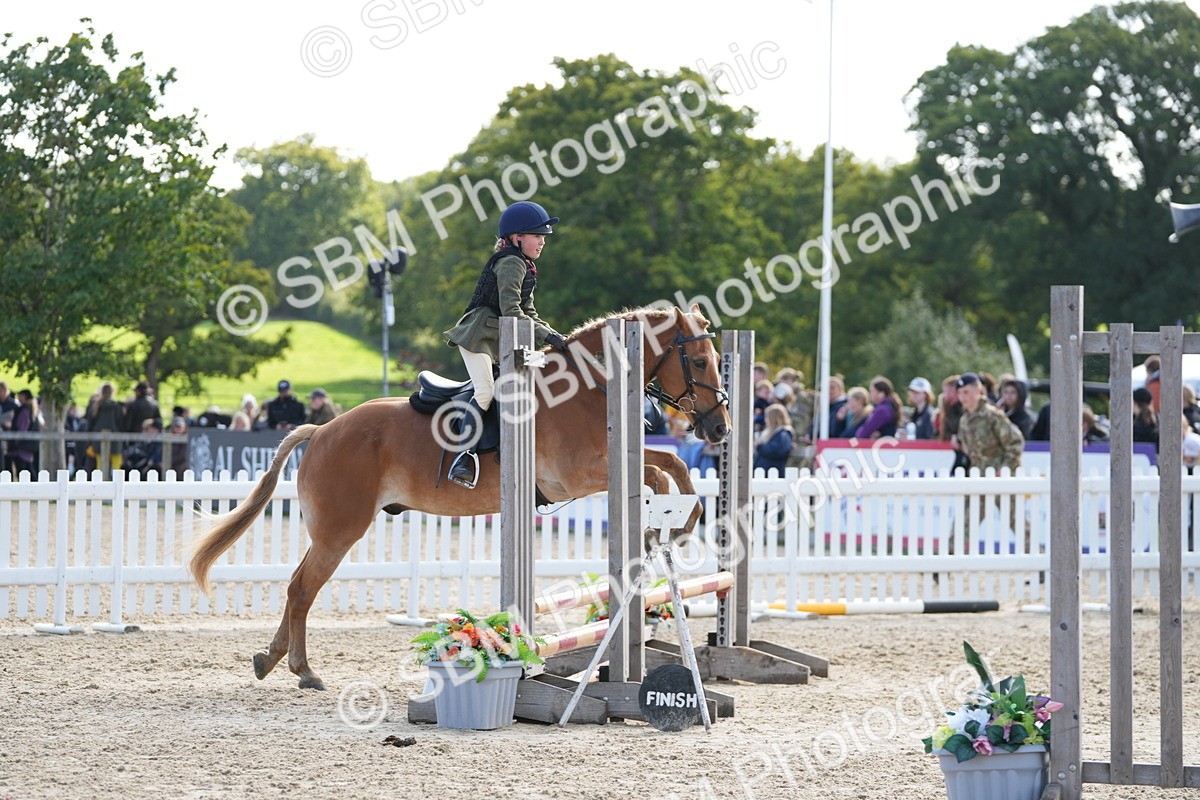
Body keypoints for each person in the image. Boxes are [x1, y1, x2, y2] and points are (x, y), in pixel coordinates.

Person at [442, 200, 565, 488]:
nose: (542, 242)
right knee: (485, 391)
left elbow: (529, 313)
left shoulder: (526, 265)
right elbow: (512, 312)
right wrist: (548, 337)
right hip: (478, 336)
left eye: (543, 237)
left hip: (501, 338)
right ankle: (464, 456)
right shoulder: (510, 262)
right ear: (516, 237)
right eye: (537, 236)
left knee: (530, 376)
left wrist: (557, 337)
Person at [956, 372, 1028, 554]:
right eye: (960, 393)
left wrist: (1005, 468)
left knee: (1017, 522)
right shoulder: (964, 421)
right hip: (978, 479)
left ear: (978, 391)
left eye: (966, 392)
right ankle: (947, 562)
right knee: (965, 521)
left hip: (1001, 480)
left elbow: (1015, 443)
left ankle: (1041, 561)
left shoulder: (992, 416)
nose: (963, 397)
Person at [936, 375, 970, 474]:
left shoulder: (964, 409)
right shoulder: (947, 408)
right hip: (953, 450)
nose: (945, 394)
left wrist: (958, 438)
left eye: (947, 391)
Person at [5, 389, 40, 476]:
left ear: (24, 397)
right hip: (28, 447)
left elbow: (22, 428)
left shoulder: (24, 410)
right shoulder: (32, 410)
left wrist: (15, 442)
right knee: (29, 471)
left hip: (20, 448)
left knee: (23, 472)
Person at [754, 404, 794, 474]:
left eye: (767, 417)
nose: (765, 420)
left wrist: (759, 446)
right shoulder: (773, 432)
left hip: (773, 472)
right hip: (764, 472)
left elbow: (776, 450)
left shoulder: (783, 434)